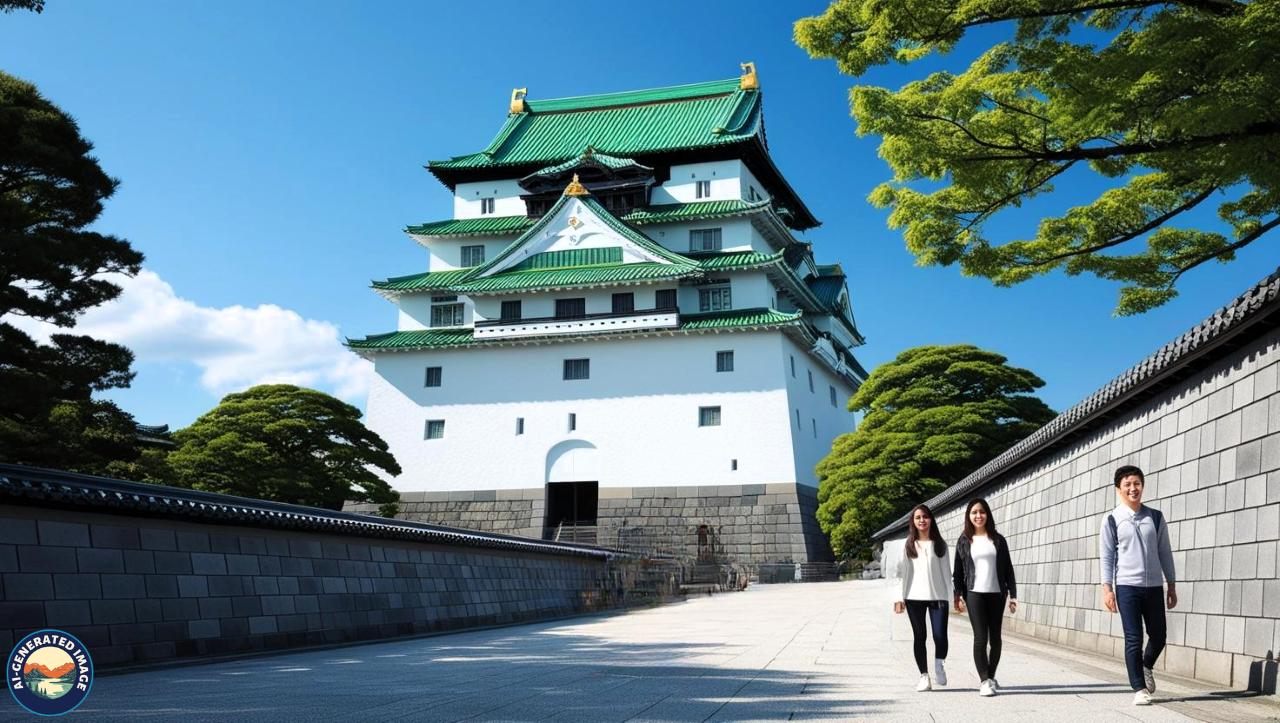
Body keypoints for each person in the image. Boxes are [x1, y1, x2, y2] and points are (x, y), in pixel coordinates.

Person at [1100, 465, 1177, 707]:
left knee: (1159, 635)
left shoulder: (1155, 517)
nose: (1133, 488)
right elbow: (1107, 555)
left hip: (1154, 587)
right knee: (1133, 638)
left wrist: (1171, 585)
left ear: (1142, 486)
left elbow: (1165, 552)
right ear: (1118, 489)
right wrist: (1107, 589)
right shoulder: (1112, 519)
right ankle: (1140, 688)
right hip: (1127, 587)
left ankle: (1146, 666)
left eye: (1137, 483)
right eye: (1127, 484)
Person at [952, 498, 1017, 697]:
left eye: (981, 512)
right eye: (974, 513)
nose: (978, 516)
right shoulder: (964, 541)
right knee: (980, 638)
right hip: (974, 594)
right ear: (969, 517)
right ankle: (984, 681)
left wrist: (1013, 595)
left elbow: (1008, 569)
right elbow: (957, 571)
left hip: (997, 594)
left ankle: (991, 676)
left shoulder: (998, 540)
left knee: (996, 639)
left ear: (987, 514)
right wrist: (958, 595)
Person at [895, 503, 950, 692]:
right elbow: (900, 573)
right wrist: (899, 598)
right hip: (914, 597)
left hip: (938, 596)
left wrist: (952, 598)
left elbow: (946, 572)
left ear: (931, 519)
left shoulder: (940, 545)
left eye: (925, 517)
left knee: (940, 635)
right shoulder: (908, 545)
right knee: (920, 636)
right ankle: (924, 676)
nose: (922, 520)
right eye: (918, 517)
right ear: (913, 521)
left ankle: (938, 664)